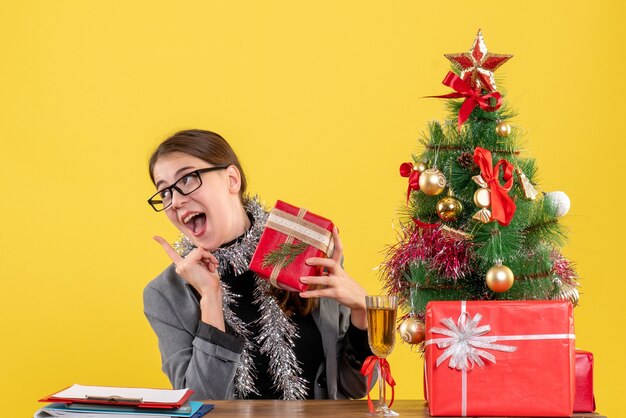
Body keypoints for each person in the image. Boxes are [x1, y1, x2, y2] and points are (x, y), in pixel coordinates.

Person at [143, 129, 373, 400]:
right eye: (165, 192)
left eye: (188, 179)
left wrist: (363, 312)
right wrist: (210, 298)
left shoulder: (306, 251)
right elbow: (200, 404)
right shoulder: (165, 294)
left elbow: (356, 388)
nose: (177, 200)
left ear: (231, 179)